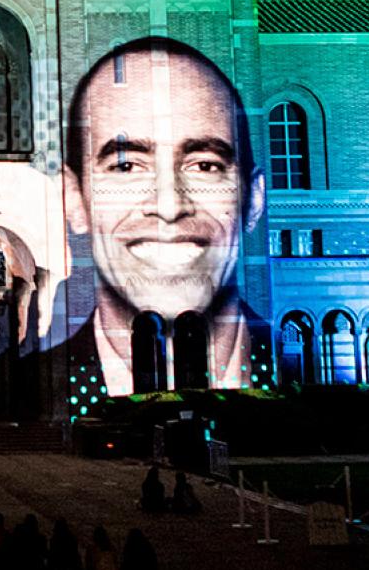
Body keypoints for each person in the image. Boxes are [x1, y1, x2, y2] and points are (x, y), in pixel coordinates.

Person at [59, 37, 263, 394]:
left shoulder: (294, 358)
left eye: (204, 166)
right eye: (126, 167)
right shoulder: (36, 382)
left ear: (255, 199)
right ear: (74, 199)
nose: (169, 207)